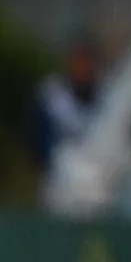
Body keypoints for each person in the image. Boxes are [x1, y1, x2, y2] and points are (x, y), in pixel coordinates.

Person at [37, 36, 102, 174]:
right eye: (78, 61)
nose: (82, 67)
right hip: (60, 173)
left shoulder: (104, 97)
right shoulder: (52, 96)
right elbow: (37, 139)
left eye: (86, 61)